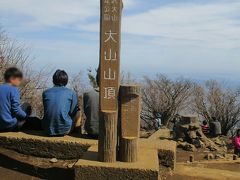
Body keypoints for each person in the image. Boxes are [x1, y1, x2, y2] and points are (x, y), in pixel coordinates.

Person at [0, 67, 41, 132]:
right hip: (9, 125)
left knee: (24, 106)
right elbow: (16, 110)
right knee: (27, 108)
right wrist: (27, 117)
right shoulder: (13, 89)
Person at [42, 70, 80, 136]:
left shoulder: (45, 92)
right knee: (78, 111)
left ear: (53, 80)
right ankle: (77, 134)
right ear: (66, 80)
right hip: (65, 130)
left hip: (46, 129)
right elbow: (73, 112)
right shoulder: (71, 93)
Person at [83, 72, 99, 139]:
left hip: (92, 130)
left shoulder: (88, 94)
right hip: (110, 131)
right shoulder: (115, 96)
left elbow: (86, 112)